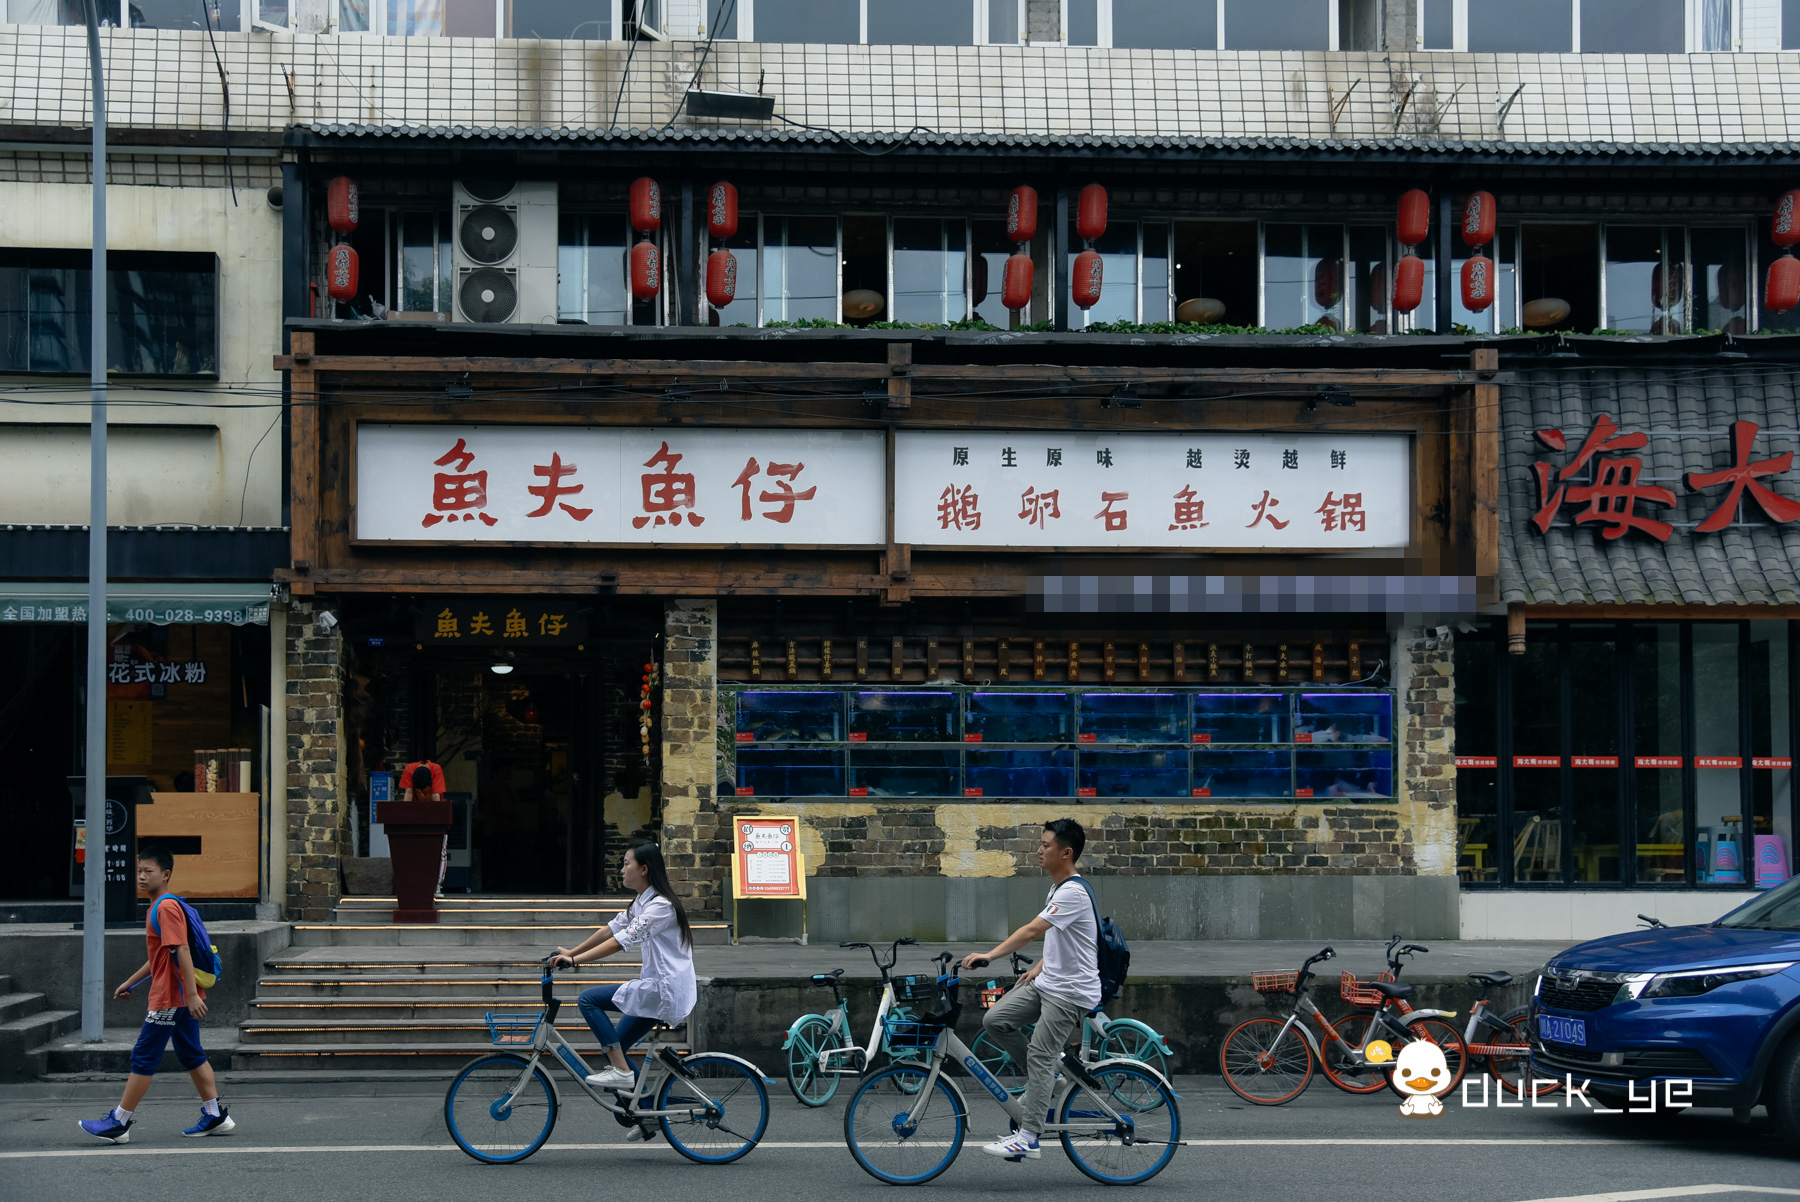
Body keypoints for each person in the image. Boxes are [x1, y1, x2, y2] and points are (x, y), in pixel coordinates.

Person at [960, 818, 1100, 1163]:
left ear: (1066, 853)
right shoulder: (1057, 887)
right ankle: (1049, 1081)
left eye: (1046, 845)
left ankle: (1029, 1137)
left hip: (1069, 993)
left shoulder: (1072, 891)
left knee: (1039, 1053)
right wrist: (1037, 968)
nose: (1039, 850)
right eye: (1040, 844)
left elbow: (1032, 930)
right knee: (996, 1020)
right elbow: (1063, 937)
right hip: (1047, 981)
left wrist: (990, 955)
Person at [78, 846, 234, 1143]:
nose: (141, 876)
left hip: (172, 998)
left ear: (165, 875)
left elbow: (182, 950)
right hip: (178, 996)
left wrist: (190, 995)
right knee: (191, 1054)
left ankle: (119, 1122)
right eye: (138, 871)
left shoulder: (164, 907)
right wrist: (130, 982)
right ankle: (215, 1115)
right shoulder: (159, 908)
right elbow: (160, 957)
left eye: (148, 871)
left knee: (144, 1056)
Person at [552, 841, 695, 1141]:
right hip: (656, 988)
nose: (622, 869)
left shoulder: (660, 906)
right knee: (616, 1044)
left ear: (643, 869)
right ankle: (647, 1112)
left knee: (588, 999)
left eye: (626, 863)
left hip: (663, 990)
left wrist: (576, 961)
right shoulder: (641, 902)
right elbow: (610, 930)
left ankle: (624, 1075)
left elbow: (621, 941)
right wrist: (571, 951)